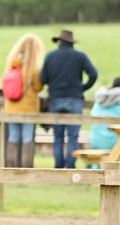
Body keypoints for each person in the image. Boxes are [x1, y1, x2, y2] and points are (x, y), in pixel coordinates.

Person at [39, 29, 98, 168]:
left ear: (60, 41)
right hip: (74, 100)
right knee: (73, 136)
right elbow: (93, 74)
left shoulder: (50, 56)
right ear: (72, 43)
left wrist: (54, 87)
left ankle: (58, 167)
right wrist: (81, 88)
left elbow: (42, 79)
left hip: (55, 99)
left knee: (58, 137)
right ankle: (70, 167)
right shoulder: (80, 56)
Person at [2, 33, 44, 167]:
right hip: (28, 109)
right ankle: (27, 168)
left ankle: (11, 167)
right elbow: (38, 87)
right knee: (27, 138)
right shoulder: (32, 68)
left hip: (11, 107)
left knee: (12, 137)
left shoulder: (12, 64)